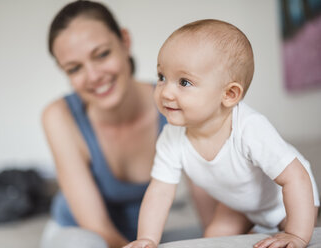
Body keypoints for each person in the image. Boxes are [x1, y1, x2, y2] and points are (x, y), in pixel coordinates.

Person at [124, 19, 320, 248]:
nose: (166, 92)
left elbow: (295, 177)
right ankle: (256, 229)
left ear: (229, 94)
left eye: (184, 82)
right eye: (161, 77)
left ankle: (282, 229)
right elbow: (160, 192)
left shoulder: (250, 128)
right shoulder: (171, 136)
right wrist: (147, 239)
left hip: (284, 200)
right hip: (241, 205)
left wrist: (296, 235)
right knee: (214, 237)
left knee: (290, 234)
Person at [39, 1, 188, 247]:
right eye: (75, 68)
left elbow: (212, 200)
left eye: (102, 54)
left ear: (125, 41)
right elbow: (97, 227)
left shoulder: (173, 104)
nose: (94, 76)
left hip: (143, 238)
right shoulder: (59, 117)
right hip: (81, 234)